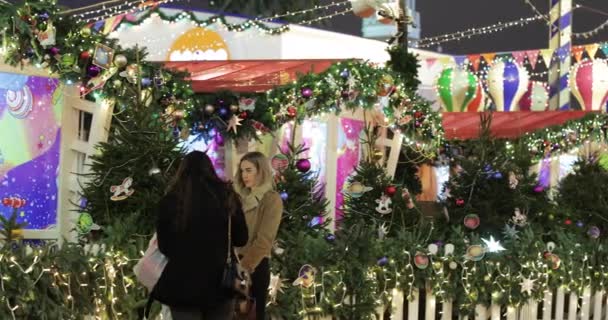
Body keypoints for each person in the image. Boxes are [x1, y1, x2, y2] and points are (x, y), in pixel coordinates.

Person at [153, 151, 248, 320]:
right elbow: (242, 238)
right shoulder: (227, 196)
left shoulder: (171, 200)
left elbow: (165, 247)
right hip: (220, 283)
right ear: (210, 169)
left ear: (181, 171)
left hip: (182, 284)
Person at [234, 151, 283, 320]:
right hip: (233, 266)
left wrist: (244, 268)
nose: (244, 175)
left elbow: (264, 241)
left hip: (254, 267)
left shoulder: (271, 199)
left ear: (260, 171)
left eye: (249, 170)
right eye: (242, 171)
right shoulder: (238, 198)